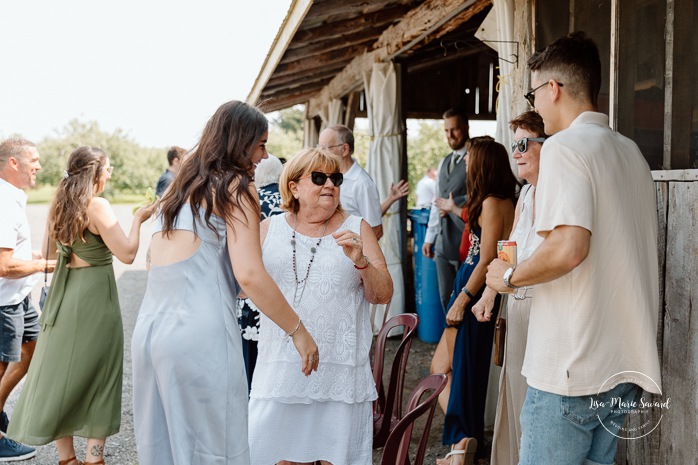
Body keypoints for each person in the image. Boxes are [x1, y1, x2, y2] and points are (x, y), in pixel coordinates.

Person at [485, 32, 662, 465]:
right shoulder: (631, 153)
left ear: (554, 89)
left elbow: (569, 248)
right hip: (624, 367)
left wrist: (506, 276)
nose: (538, 105)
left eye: (534, 93)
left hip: (572, 368)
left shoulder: (565, 147)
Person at [131, 100, 319, 465]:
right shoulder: (236, 187)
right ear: (241, 142)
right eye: (261, 144)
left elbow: (153, 263)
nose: (264, 157)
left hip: (150, 332)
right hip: (200, 334)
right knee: (214, 448)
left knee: (164, 451)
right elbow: (249, 273)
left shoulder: (178, 190)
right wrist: (297, 330)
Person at [8, 146, 156, 465]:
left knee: (62, 374)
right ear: (95, 173)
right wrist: (139, 220)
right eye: (109, 168)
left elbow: (50, 251)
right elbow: (128, 254)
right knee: (101, 374)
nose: (111, 173)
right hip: (95, 297)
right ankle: (94, 459)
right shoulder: (98, 206)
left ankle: (68, 460)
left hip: (65, 295)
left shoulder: (58, 205)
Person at [248, 148, 393, 465]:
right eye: (319, 178)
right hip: (279, 371)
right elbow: (242, 283)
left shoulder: (358, 228)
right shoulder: (267, 230)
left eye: (335, 178)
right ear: (294, 187)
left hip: (338, 376)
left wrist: (362, 263)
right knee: (272, 456)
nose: (329, 184)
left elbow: (382, 295)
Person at [430, 137, 517, 465]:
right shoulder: (502, 200)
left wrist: (463, 299)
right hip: (473, 286)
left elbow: (486, 258)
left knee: (461, 370)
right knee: (447, 367)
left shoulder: (495, 202)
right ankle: (467, 440)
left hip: (474, 287)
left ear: (483, 163)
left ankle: (461, 442)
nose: (465, 164)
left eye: (470, 159)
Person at [471, 111, 547, 465]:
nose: (515, 152)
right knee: (515, 393)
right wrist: (489, 293)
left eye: (523, 143)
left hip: (544, 307)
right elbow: (508, 249)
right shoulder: (526, 193)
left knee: (537, 402)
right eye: (512, 144)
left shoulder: (557, 191)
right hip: (514, 304)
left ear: (547, 145)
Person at [0, 139, 55, 461]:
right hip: (4, 301)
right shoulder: (4, 203)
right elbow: (4, 266)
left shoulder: (14, 198)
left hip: (20, 297)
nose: (38, 166)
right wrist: (47, 264)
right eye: (33, 160)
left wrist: (29, 257)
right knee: (4, 363)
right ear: (13, 164)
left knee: (29, 351)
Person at [237, 154, 284, 391]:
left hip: (254, 293)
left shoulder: (250, 200)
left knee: (251, 363)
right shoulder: (292, 200)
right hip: (285, 293)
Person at [422, 108, 469, 312]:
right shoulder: (444, 162)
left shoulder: (475, 157)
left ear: (466, 128)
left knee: (464, 298)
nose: (450, 135)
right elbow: (437, 199)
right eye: (446, 130)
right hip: (443, 241)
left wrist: (455, 206)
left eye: (455, 129)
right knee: (445, 297)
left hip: (465, 238)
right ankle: (448, 342)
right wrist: (430, 237)